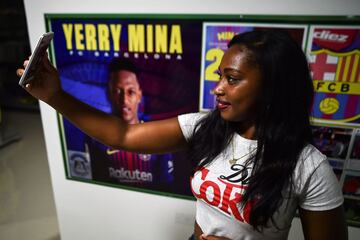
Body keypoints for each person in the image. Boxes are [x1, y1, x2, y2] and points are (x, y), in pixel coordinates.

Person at [17, 30, 347, 240]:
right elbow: (122, 136)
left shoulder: (309, 167)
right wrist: (54, 96)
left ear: (272, 88)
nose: (218, 88)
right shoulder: (205, 126)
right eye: (220, 76)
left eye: (232, 79)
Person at [85, 57, 174, 188]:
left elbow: (167, 189)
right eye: (117, 91)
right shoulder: (95, 138)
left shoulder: (159, 138)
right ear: (109, 94)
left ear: (139, 95)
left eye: (130, 92)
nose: (124, 100)